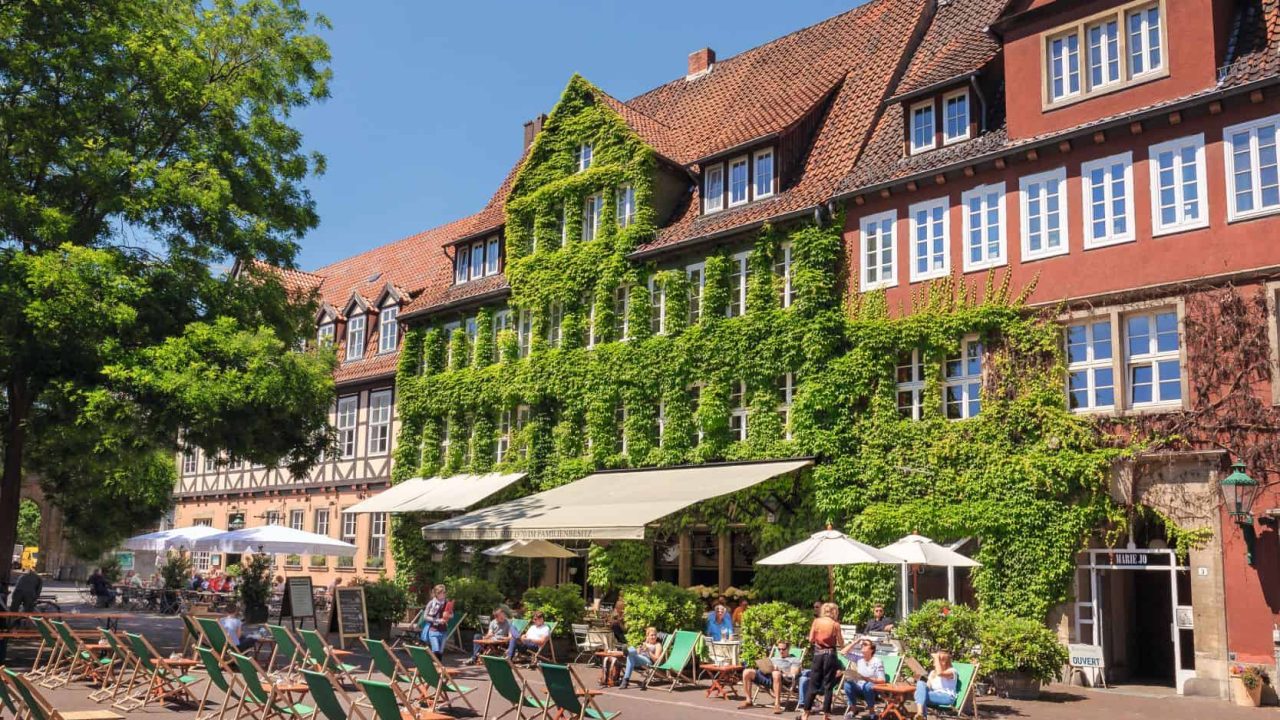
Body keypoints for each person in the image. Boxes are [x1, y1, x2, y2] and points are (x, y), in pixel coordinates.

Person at [799, 602, 843, 720]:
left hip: (818, 654)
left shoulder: (817, 621)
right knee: (829, 686)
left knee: (813, 684)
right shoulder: (835, 624)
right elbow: (840, 642)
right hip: (830, 655)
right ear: (834, 612)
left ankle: (805, 714)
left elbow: (811, 639)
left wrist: (819, 640)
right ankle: (826, 715)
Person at [740, 639, 804, 714]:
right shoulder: (773, 659)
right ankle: (748, 700)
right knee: (746, 672)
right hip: (767, 677)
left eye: (783, 649)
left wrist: (779, 670)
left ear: (788, 649)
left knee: (776, 673)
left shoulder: (794, 660)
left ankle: (777, 704)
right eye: (779, 649)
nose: (781, 651)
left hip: (782, 680)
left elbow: (793, 675)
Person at [842, 639, 885, 720]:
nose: (862, 645)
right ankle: (853, 709)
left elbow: (882, 680)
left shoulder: (877, 661)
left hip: (872, 689)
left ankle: (872, 712)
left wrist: (867, 679)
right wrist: (855, 642)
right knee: (848, 683)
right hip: (859, 688)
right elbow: (843, 652)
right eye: (862, 644)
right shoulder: (859, 658)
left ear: (871, 649)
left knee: (867, 685)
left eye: (865, 644)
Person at [913, 650, 958, 719]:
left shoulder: (952, 671)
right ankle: (920, 714)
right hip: (934, 695)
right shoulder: (933, 672)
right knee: (920, 684)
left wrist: (937, 657)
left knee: (919, 695)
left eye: (936, 661)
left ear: (943, 662)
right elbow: (927, 687)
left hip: (947, 697)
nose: (934, 663)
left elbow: (940, 673)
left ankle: (921, 714)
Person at [419, 584, 454, 658]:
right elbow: (425, 617)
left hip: (443, 631)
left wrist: (448, 616)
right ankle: (433, 666)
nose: (443, 594)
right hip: (433, 631)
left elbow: (452, 615)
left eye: (444, 592)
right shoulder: (431, 603)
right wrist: (438, 620)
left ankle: (438, 666)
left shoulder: (447, 603)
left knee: (440, 652)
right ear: (436, 594)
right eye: (441, 593)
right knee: (436, 650)